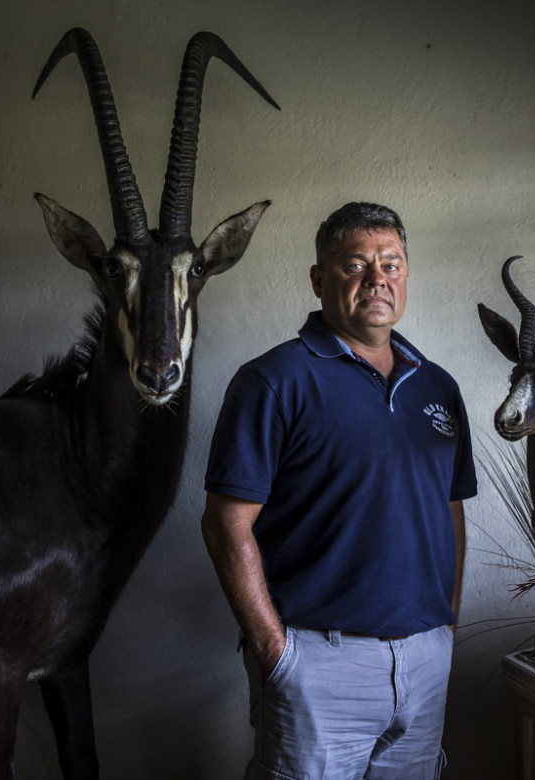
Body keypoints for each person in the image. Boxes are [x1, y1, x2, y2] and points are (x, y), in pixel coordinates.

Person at [201, 201, 477, 779]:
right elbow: (226, 523)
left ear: (406, 276)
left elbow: (449, 510)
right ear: (319, 279)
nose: (378, 278)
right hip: (317, 662)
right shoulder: (274, 381)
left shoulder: (438, 387)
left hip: (427, 660)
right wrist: (275, 652)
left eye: (392, 264)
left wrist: (445, 627)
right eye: (356, 264)